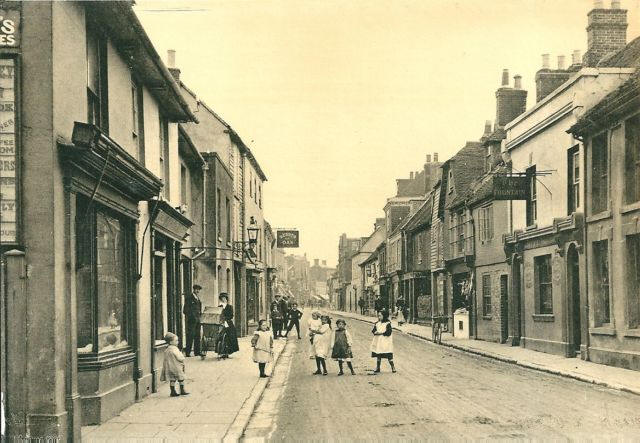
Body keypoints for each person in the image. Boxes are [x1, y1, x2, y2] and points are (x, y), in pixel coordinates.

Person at [160, 332, 188, 396]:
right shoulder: (175, 349)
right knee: (181, 378)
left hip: (169, 367)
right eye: (176, 340)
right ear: (171, 342)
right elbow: (180, 357)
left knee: (172, 380)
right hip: (176, 367)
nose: (177, 342)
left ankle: (172, 391)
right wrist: (182, 358)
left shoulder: (167, 349)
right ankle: (182, 390)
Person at [217, 293, 239, 358]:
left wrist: (225, 319)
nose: (223, 300)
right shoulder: (219, 307)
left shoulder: (230, 307)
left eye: (224, 298)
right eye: (222, 298)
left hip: (228, 322)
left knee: (230, 333)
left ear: (226, 299)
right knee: (219, 334)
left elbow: (231, 316)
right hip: (221, 322)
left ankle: (229, 350)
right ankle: (220, 349)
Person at [183, 284, 203, 357]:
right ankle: (188, 352)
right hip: (192, 321)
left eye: (198, 290)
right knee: (190, 336)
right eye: (196, 289)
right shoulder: (189, 298)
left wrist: (200, 317)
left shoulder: (198, 299)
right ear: (193, 289)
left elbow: (199, 309)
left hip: (198, 320)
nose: (197, 291)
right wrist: (192, 317)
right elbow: (185, 310)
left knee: (197, 336)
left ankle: (197, 352)